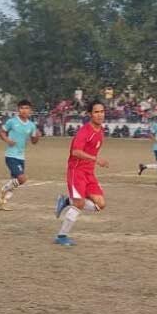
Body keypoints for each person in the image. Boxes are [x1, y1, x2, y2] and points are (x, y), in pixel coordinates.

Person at [53, 100, 107, 246]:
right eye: (96, 112)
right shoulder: (84, 131)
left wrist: (93, 162)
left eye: (102, 111)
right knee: (79, 204)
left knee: (100, 204)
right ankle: (61, 236)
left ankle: (66, 201)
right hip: (76, 172)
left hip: (89, 174)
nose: (100, 115)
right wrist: (95, 159)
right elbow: (75, 152)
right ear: (90, 114)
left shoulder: (100, 131)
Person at [0, 100, 40, 210]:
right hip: (11, 156)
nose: (24, 110)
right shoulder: (12, 121)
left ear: (30, 110)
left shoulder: (31, 125)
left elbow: (34, 141)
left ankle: (2, 203)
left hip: (21, 157)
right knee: (22, 179)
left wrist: (37, 136)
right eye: (22, 108)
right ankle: (3, 190)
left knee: (14, 182)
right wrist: (8, 140)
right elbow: (1, 132)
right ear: (18, 110)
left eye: (26, 108)